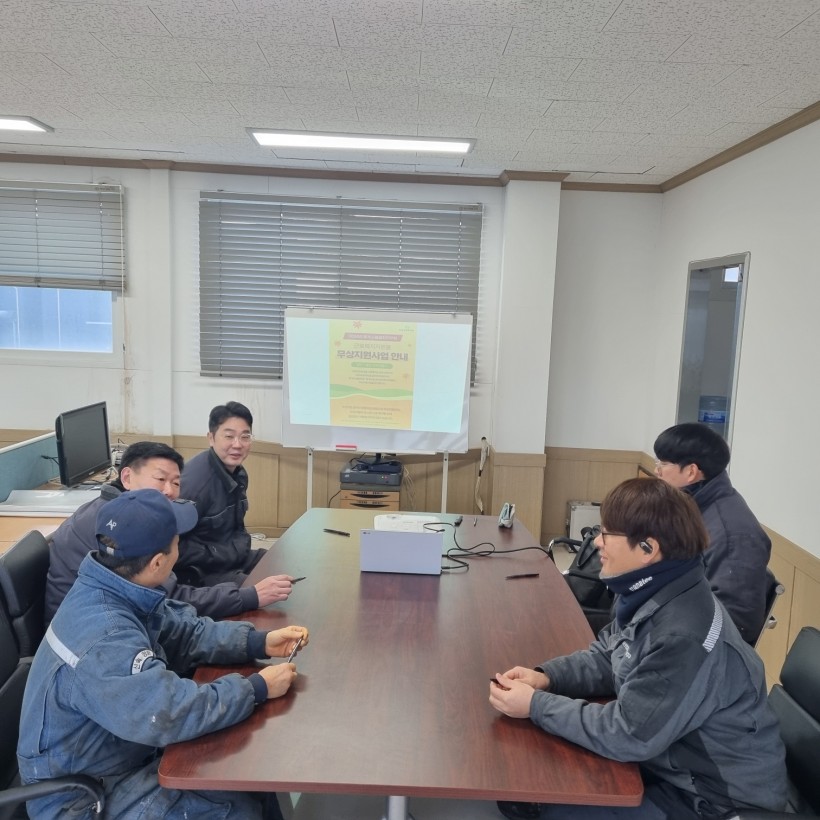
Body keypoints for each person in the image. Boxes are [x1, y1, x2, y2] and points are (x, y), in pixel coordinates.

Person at [490, 477, 786, 820]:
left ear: (648, 549)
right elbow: (611, 654)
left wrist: (536, 705)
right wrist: (548, 678)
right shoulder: (662, 589)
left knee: (537, 801)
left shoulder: (682, 634)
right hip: (671, 761)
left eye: (606, 534)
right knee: (530, 787)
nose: (597, 543)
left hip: (710, 800)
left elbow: (628, 734)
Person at [19, 488, 308, 819]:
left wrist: (258, 642)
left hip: (118, 756)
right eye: (177, 542)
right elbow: (167, 712)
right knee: (235, 807)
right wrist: (256, 687)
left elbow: (184, 631)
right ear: (158, 562)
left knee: (248, 776)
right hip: (81, 798)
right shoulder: (106, 637)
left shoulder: (116, 587)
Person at [45, 440, 294, 622]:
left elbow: (181, 569)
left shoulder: (125, 510)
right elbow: (170, 599)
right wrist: (249, 596)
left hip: (118, 618)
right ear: (127, 477)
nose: (170, 491)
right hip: (92, 637)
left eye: (175, 483)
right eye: (160, 479)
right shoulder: (119, 526)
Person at [653, 422, 771, 643]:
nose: (656, 471)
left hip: (692, 647)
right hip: (673, 623)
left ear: (691, 472)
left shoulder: (732, 534)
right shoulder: (695, 505)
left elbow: (736, 623)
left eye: (663, 464)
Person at [176, 401, 267, 586]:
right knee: (266, 589)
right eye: (229, 436)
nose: (237, 444)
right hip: (202, 571)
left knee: (281, 561)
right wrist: (221, 554)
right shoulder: (195, 485)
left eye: (245, 437)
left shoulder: (238, 473)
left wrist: (232, 553)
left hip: (232, 557)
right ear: (211, 438)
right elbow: (173, 547)